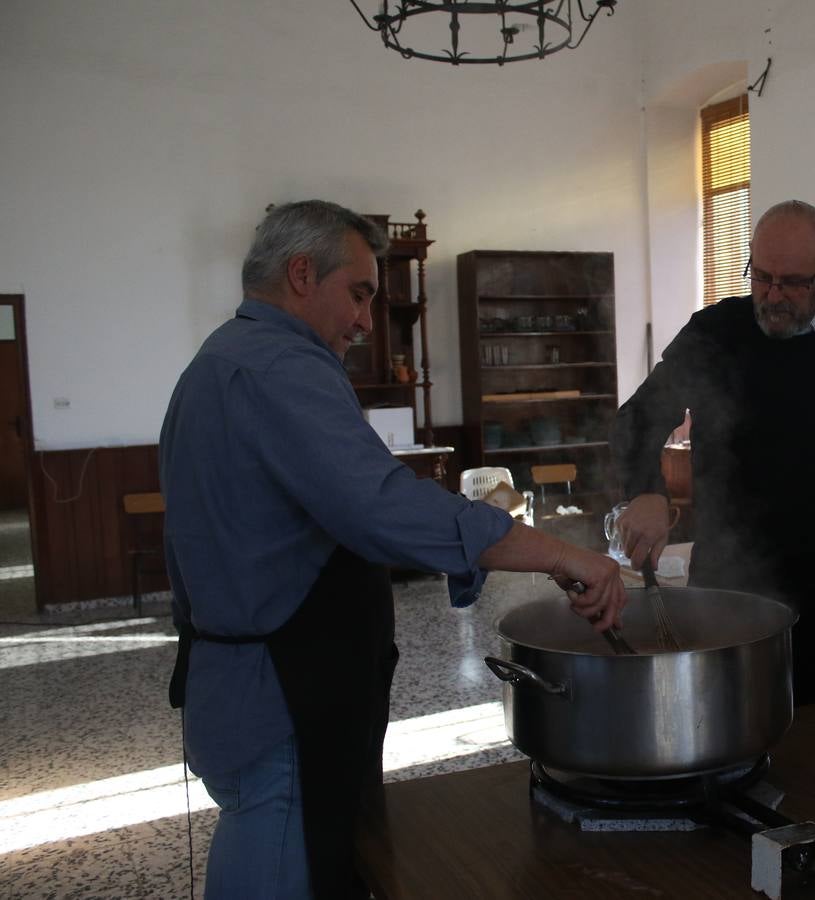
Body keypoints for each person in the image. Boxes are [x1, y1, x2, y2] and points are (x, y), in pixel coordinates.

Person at [159, 200, 626, 899]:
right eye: (357, 294)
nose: (363, 320)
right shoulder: (281, 368)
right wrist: (562, 554)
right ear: (298, 274)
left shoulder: (219, 360)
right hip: (278, 695)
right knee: (283, 842)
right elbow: (380, 508)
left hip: (238, 685)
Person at [611, 199, 815, 706]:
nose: (773, 296)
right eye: (761, 276)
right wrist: (645, 492)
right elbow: (638, 419)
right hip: (725, 584)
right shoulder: (716, 331)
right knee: (722, 725)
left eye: (793, 282)